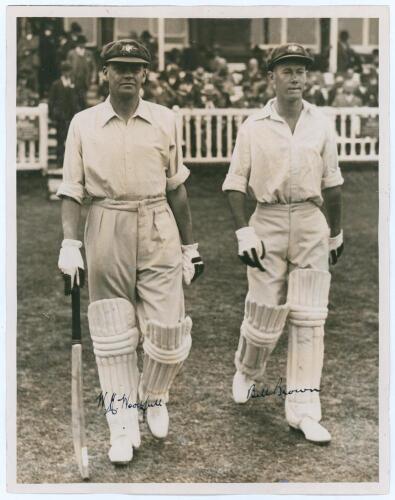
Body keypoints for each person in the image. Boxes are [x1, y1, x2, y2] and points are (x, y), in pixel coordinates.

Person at [57, 39, 204, 464]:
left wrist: (190, 247)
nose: (127, 73)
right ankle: (121, 427)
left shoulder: (164, 120)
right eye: (118, 66)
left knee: (169, 334)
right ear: (103, 73)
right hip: (106, 221)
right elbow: (72, 190)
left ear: (145, 74)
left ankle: (154, 395)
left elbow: (177, 187)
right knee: (113, 333)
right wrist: (70, 243)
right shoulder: (83, 123)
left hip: (157, 221)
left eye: (135, 67)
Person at [222, 43, 344, 444]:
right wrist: (245, 232)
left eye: (301, 71)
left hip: (310, 219)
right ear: (271, 77)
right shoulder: (254, 125)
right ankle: (247, 369)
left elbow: (333, 183)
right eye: (287, 71)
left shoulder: (320, 123)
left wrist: (336, 231)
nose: (295, 78)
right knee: (264, 313)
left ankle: (304, 410)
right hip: (268, 220)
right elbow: (235, 185)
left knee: (310, 317)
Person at [48, 61, 81, 168]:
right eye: (65, 71)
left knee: (72, 140)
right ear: (62, 72)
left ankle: (71, 162)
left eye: (69, 71)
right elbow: (51, 101)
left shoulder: (73, 83)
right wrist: (53, 115)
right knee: (60, 139)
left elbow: (79, 98)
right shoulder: (56, 84)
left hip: (72, 115)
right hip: (61, 117)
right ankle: (59, 161)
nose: (67, 74)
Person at [67, 35, 96, 109]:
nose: (82, 44)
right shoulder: (72, 53)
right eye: (80, 43)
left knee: (83, 98)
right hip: (74, 79)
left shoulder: (88, 53)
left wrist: (93, 77)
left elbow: (93, 67)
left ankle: (83, 111)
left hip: (85, 79)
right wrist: (68, 78)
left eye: (83, 43)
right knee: (74, 98)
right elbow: (67, 67)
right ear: (77, 44)